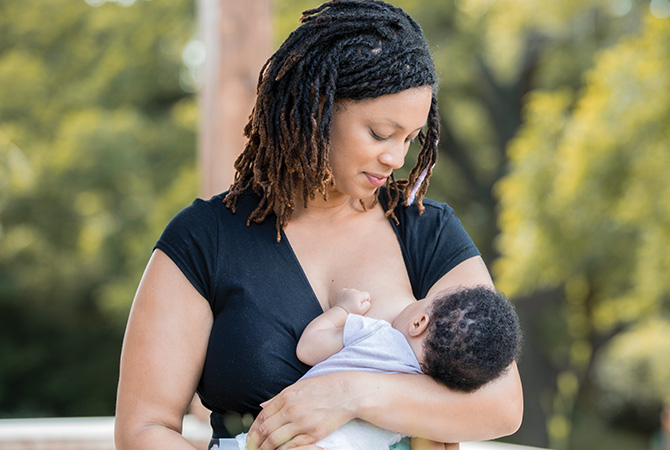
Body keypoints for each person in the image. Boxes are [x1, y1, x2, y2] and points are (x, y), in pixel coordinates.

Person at [114, 1, 524, 449]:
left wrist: (348, 393)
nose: (397, 158)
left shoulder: (425, 227)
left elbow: (500, 405)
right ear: (318, 108)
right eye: (380, 133)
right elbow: (143, 430)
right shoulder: (203, 240)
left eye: (410, 138)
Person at [226, 286, 522, 450]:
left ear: (419, 322)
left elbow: (308, 347)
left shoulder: (377, 332)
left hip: (286, 428)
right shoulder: (429, 404)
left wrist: (343, 310)